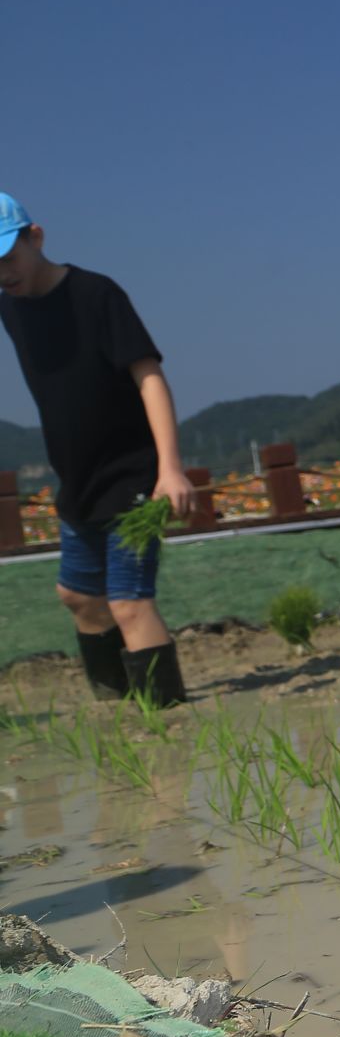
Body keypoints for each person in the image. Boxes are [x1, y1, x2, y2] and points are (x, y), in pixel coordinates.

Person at [0, 193, 199, 705]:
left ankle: (167, 720)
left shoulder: (95, 294)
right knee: (79, 598)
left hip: (133, 474)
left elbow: (149, 376)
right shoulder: (10, 302)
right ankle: (118, 710)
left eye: (7, 258)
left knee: (129, 603)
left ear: (36, 237)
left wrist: (170, 470)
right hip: (79, 478)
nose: (3, 273)